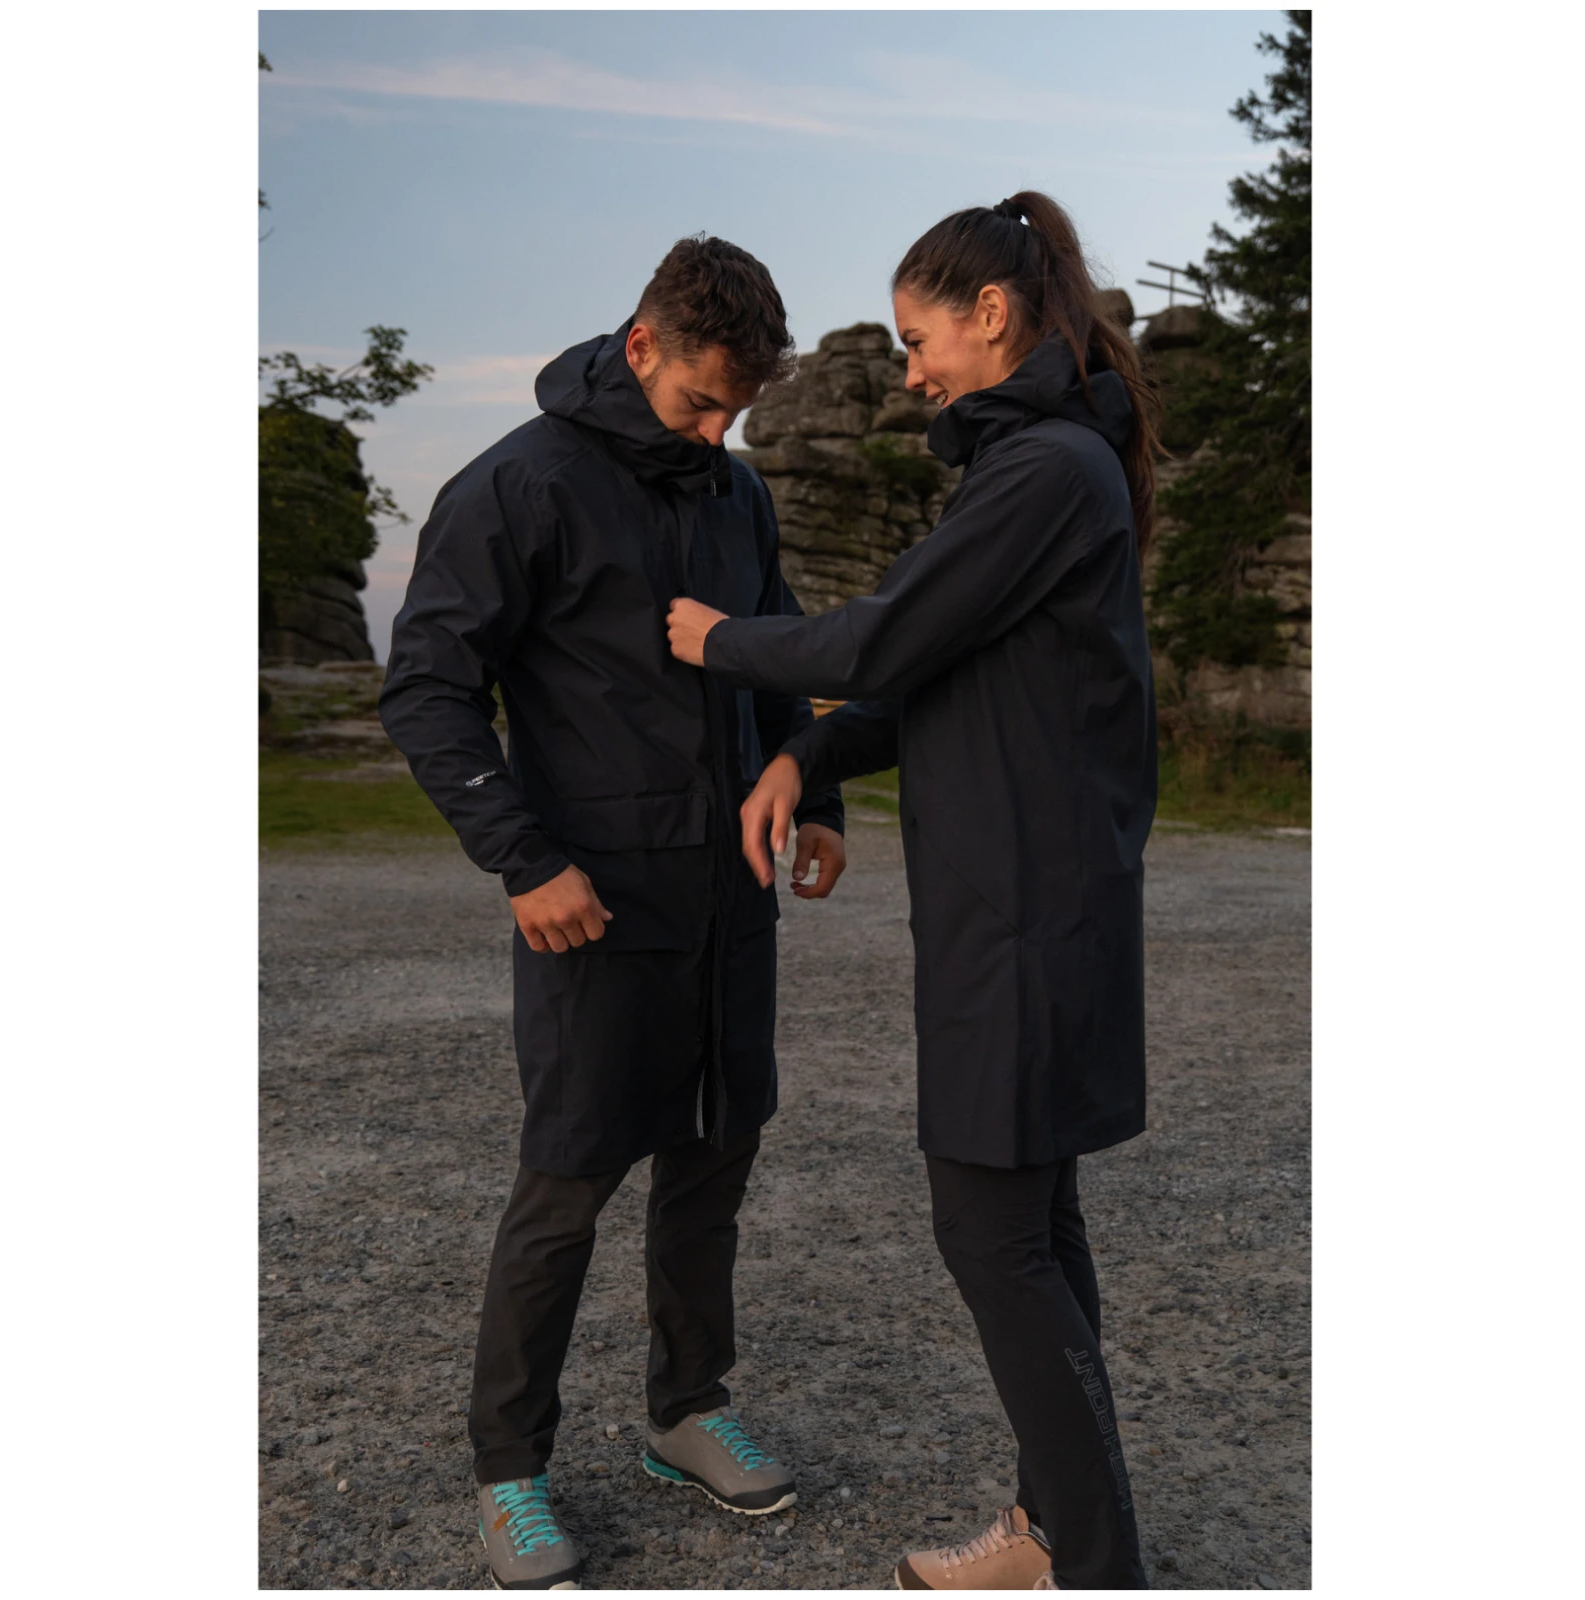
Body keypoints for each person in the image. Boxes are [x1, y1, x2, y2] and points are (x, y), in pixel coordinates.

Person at [667, 191, 1158, 1591]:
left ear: (990, 314)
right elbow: (943, 674)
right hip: (1030, 900)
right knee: (1033, 1225)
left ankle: (1090, 1563)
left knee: (990, 1229)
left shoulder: (1046, 469)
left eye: (916, 337)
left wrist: (722, 643)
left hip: (1028, 911)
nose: (909, 370)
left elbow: (884, 637)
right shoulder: (1039, 466)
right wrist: (812, 753)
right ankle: (1058, 1538)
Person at [380, 234, 847, 1591]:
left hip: (730, 901)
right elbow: (427, 687)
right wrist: (522, 858)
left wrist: (816, 792)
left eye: (735, 413)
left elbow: (773, 654)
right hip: (590, 904)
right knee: (569, 1182)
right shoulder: (519, 485)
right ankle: (509, 1470)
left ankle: (686, 1409)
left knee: (715, 1157)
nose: (716, 434)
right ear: (641, 346)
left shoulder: (737, 493)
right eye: (701, 402)